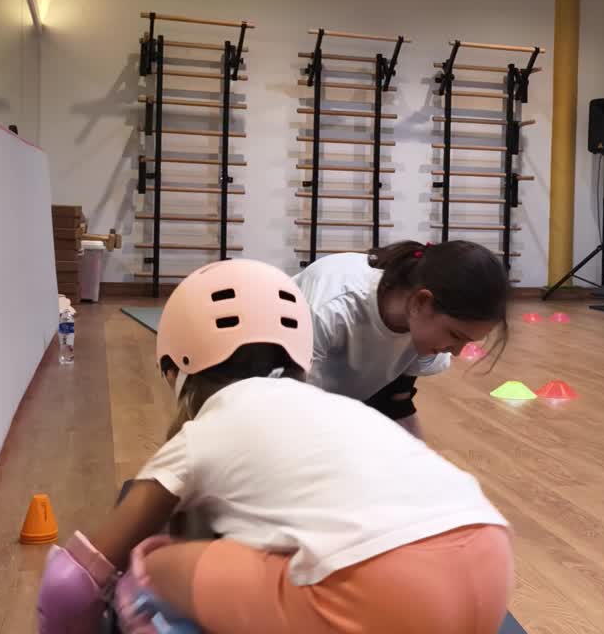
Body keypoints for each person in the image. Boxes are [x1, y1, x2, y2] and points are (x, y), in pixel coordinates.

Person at [36, 259, 513, 634]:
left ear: (174, 366)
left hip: (385, 595)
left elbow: (67, 586)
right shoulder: (340, 409)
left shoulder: (204, 432)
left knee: (151, 564)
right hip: (489, 564)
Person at [293, 240, 510, 438]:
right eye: (455, 335)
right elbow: (293, 412)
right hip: (279, 394)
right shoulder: (331, 307)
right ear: (421, 302)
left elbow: (395, 403)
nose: (456, 352)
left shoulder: (422, 331)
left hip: (329, 405)